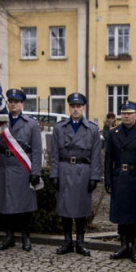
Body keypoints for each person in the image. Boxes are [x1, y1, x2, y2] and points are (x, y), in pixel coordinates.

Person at [49, 92, 102, 256]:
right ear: (69, 108)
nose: (75, 109)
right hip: (64, 169)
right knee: (64, 209)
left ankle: (80, 242)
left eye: (78, 106)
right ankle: (67, 242)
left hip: (83, 171)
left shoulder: (92, 129)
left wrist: (94, 177)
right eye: (72, 106)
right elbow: (54, 153)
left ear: (83, 108)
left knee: (81, 209)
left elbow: (96, 156)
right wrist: (54, 174)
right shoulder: (59, 128)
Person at [0, 88, 42, 251]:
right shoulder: (0, 122)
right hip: (4, 167)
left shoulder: (31, 123)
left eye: (16, 102)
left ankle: (25, 237)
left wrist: (36, 172)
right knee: (5, 204)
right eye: (10, 102)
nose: (13, 104)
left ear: (22, 104)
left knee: (24, 206)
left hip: (22, 167)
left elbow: (37, 150)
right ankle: (9, 237)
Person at [105, 101, 136, 262]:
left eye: (129, 113)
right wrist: (108, 180)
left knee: (135, 217)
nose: (126, 116)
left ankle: (135, 247)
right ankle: (124, 246)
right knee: (121, 216)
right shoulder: (114, 133)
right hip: (119, 178)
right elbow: (108, 159)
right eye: (124, 113)